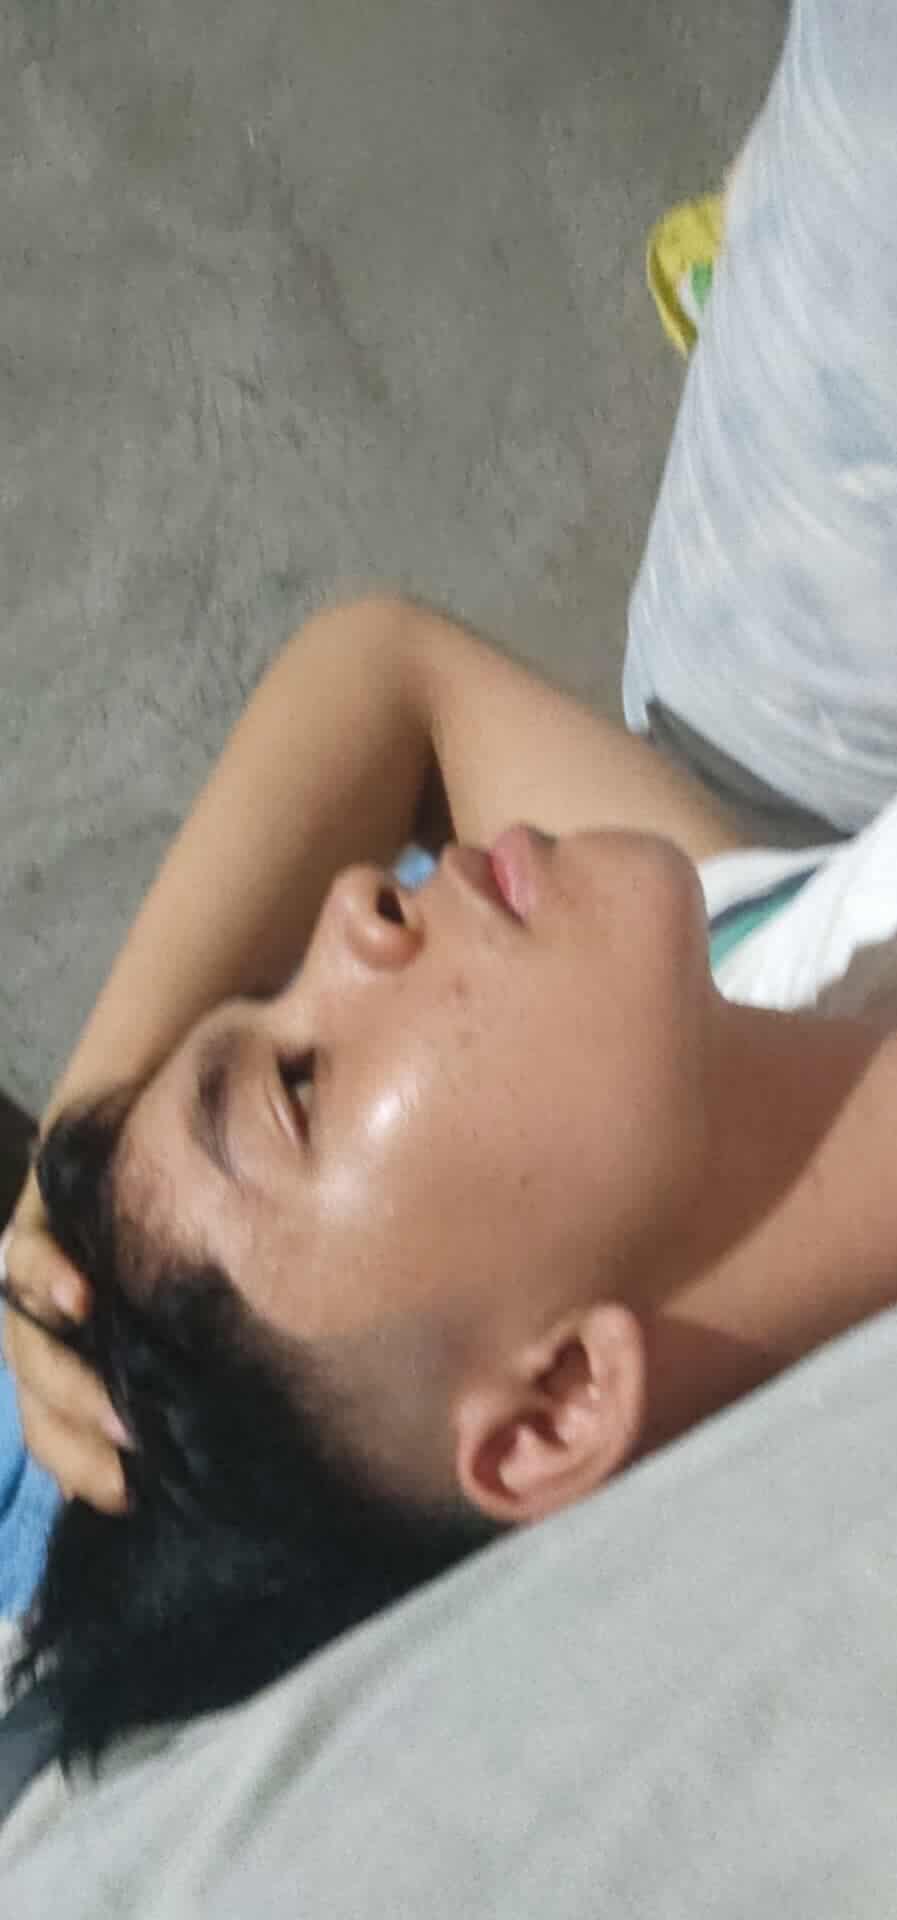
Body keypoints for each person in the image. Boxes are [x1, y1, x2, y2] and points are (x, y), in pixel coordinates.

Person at [4, 582, 897, 1767]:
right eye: (299, 1086)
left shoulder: (764, 977)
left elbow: (393, 675)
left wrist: (68, 1177)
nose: (356, 900)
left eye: (271, 995)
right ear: (557, 1405)